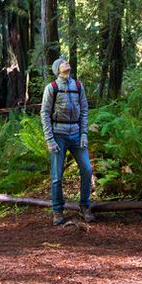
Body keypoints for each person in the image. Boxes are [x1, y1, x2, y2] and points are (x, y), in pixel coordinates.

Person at [40, 56, 95, 225]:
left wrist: (84, 134)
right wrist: (49, 139)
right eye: (62, 62)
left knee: (87, 169)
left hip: (77, 135)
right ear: (57, 69)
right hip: (58, 135)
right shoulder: (52, 88)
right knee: (57, 176)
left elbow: (84, 110)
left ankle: (84, 206)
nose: (66, 63)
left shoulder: (78, 86)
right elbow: (44, 114)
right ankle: (57, 210)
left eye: (66, 61)